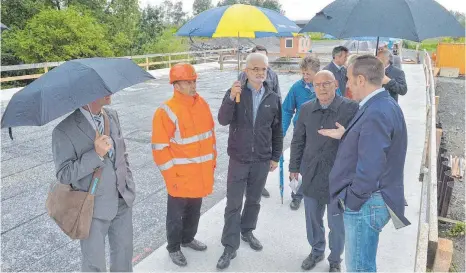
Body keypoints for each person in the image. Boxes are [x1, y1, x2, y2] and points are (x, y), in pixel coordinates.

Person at [320, 55, 411, 272]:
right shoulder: (383, 104)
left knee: (359, 267)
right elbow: (375, 145)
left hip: (366, 203)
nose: (348, 85)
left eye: (349, 79)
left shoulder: (377, 111)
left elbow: (371, 166)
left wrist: (353, 201)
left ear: (361, 79)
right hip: (372, 199)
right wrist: (347, 135)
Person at [52, 96, 135, 272]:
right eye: (103, 88)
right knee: (94, 265)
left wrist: (128, 180)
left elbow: (122, 152)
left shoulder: (111, 116)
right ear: (87, 92)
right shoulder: (63, 130)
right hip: (92, 208)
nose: (109, 91)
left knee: (124, 256)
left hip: (122, 198)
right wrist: (95, 154)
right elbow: (64, 174)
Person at [216, 52, 283, 270]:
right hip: (239, 158)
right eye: (255, 69)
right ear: (246, 71)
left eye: (263, 69)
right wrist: (230, 98)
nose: (260, 73)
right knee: (233, 203)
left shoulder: (272, 98)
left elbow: (277, 130)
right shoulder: (236, 93)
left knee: (254, 200)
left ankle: (247, 231)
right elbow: (223, 120)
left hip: (262, 159)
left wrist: (275, 156)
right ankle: (229, 245)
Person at [289, 70, 358, 272]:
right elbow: (298, 140)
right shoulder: (305, 109)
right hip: (311, 172)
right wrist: (294, 167)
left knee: (336, 222)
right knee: (312, 218)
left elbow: (361, 139)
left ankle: (335, 259)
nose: (322, 88)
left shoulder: (351, 108)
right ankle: (316, 250)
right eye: (318, 85)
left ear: (336, 84)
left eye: (326, 83)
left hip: (339, 176)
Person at [151, 63, 216, 267]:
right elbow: (160, 149)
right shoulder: (166, 111)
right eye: (188, 82)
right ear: (176, 85)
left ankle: (188, 239)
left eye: (194, 80)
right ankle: (174, 247)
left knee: (194, 210)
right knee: (176, 215)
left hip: (199, 173)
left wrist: (212, 163)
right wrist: (172, 178)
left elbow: (210, 137)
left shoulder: (202, 104)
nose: (192, 85)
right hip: (179, 176)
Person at [283, 55, 342, 210]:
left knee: (314, 168)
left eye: (308, 73)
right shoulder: (296, 88)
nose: (305, 76)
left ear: (317, 71)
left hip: (323, 135)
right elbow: (287, 110)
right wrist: (281, 132)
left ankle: (313, 192)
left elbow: (340, 106)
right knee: (299, 165)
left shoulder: (330, 86)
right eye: (303, 73)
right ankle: (296, 195)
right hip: (302, 134)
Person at [239, 45, 280, 198]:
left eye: (264, 66)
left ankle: (260, 185)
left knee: (262, 158)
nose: (260, 71)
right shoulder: (242, 75)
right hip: (247, 125)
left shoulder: (273, 75)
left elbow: (277, 95)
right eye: (256, 67)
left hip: (266, 118)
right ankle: (245, 185)